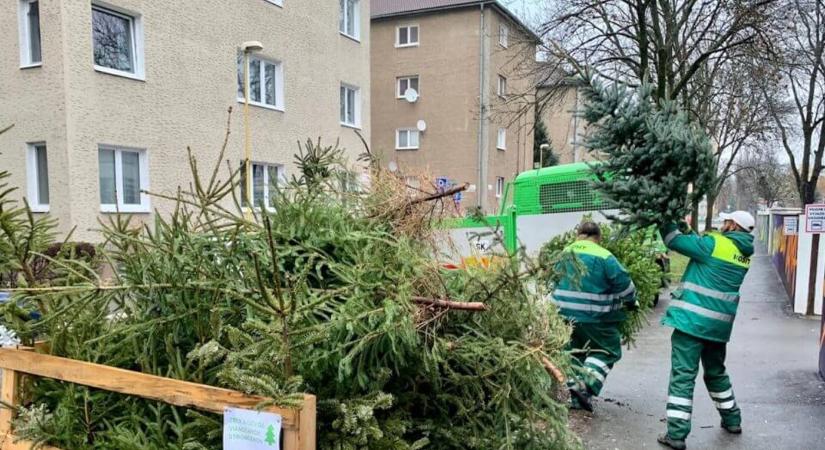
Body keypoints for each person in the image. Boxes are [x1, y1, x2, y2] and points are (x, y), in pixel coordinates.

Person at [656, 211, 755, 450]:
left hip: (691, 322)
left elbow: (672, 240)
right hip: (718, 327)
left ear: (733, 226)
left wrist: (663, 215)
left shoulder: (713, 244)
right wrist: (687, 229)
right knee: (716, 372)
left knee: (683, 376)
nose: (722, 224)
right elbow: (701, 249)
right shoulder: (744, 255)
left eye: (726, 221)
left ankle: (676, 435)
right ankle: (732, 419)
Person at [551, 221, 637, 411]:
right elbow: (624, 285)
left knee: (574, 353)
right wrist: (632, 302)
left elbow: (551, 282)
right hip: (594, 318)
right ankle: (586, 385)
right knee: (606, 350)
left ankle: (576, 398)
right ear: (598, 237)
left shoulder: (562, 254)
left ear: (578, 235)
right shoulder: (605, 256)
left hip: (563, 315)